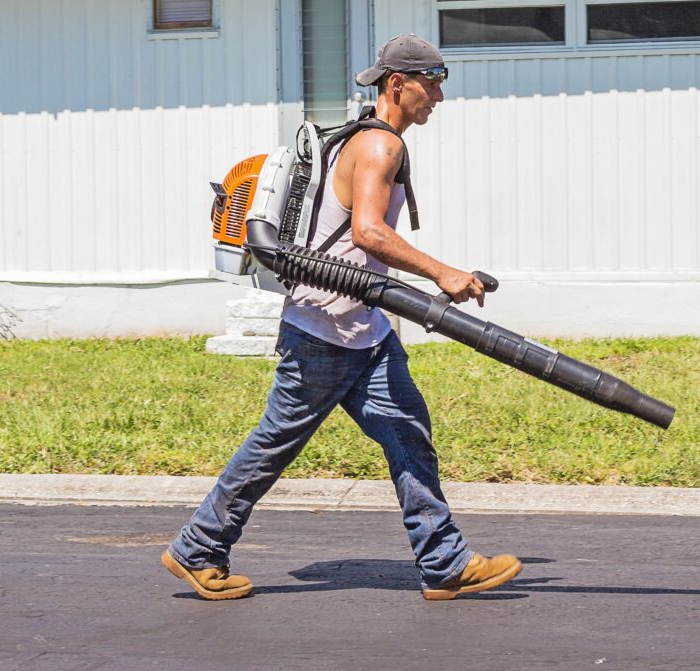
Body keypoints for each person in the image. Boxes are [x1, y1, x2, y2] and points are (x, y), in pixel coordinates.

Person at [162, 34, 521, 601]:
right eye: (433, 84)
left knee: (409, 433)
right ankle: (198, 546)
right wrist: (444, 274)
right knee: (274, 444)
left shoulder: (357, 138)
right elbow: (369, 233)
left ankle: (444, 561)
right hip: (324, 330)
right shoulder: (380, 147)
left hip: (363, 328)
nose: (439, 97)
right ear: (397, 84)